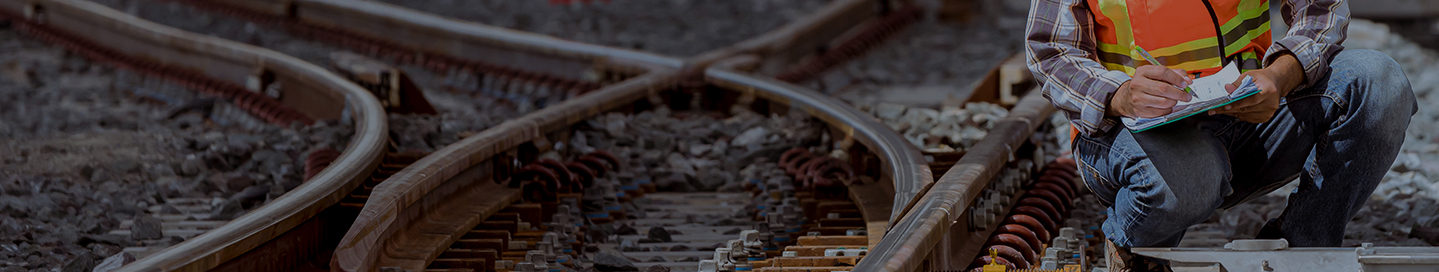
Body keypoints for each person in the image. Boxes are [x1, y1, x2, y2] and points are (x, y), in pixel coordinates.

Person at [1024, 0, 1417, 270]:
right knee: (1187, 181)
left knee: (1377, 82)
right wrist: (1120, 95)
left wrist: (1279, 76)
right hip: (1132, 132)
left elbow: (1322, 10)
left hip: (1249, 118)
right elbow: (1051, 50)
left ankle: (1303, 248)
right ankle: (1138, 252)